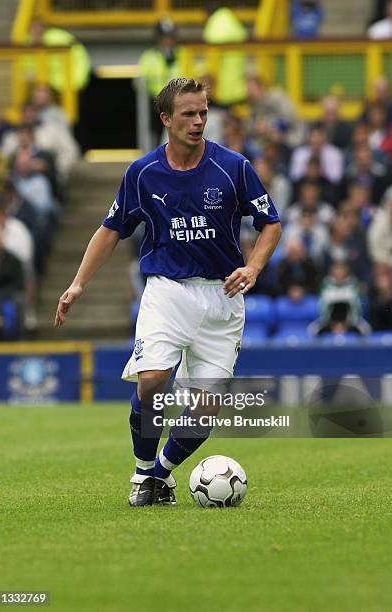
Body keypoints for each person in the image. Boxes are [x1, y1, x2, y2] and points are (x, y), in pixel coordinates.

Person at [54, 78, 281, 507]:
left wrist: (253, 267)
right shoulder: (142, 173)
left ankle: (161, 475)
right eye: (188, 114)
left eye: (203, 113)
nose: (198, 122)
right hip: (167, 292)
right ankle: (142, 474)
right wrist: (78, 282)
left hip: (223, 298)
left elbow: (271, 222)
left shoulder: (232, 167)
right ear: (166, 119)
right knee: (153, 380)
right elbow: (111, 230)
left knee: (205, 408)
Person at [139, 19, 181, 146]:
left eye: (170, 37)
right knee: (156, 139)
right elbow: (141, 80)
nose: (167, 41)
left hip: (179, 104)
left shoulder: (182, 54)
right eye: (164, 37)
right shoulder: (148, 57)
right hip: (157, 104)